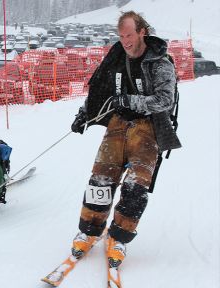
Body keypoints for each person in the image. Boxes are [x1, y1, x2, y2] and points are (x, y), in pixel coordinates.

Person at [68, 11, 181, 276]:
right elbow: (101, 87)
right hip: (118, 125)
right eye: (121, 36)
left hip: (147, 128)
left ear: (142, 31)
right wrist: (85, 113)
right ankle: (88, 232)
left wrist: (131, 101)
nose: (125, 41)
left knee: (134, 188)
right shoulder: (117, 56)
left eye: (129, 35)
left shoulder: (160, 62)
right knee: (100, 181)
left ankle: (119, 237)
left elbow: (165, 100)